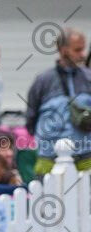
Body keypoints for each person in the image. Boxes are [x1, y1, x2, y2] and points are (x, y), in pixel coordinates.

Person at [26, 27, 91, 175]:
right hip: (49, 155)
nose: (83, 55)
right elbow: (31, 116)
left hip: (87, 153)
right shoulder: (43, 80)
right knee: (44, 194)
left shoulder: (88, 78)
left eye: (83, 49)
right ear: (62, 50)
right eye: (77, 50)